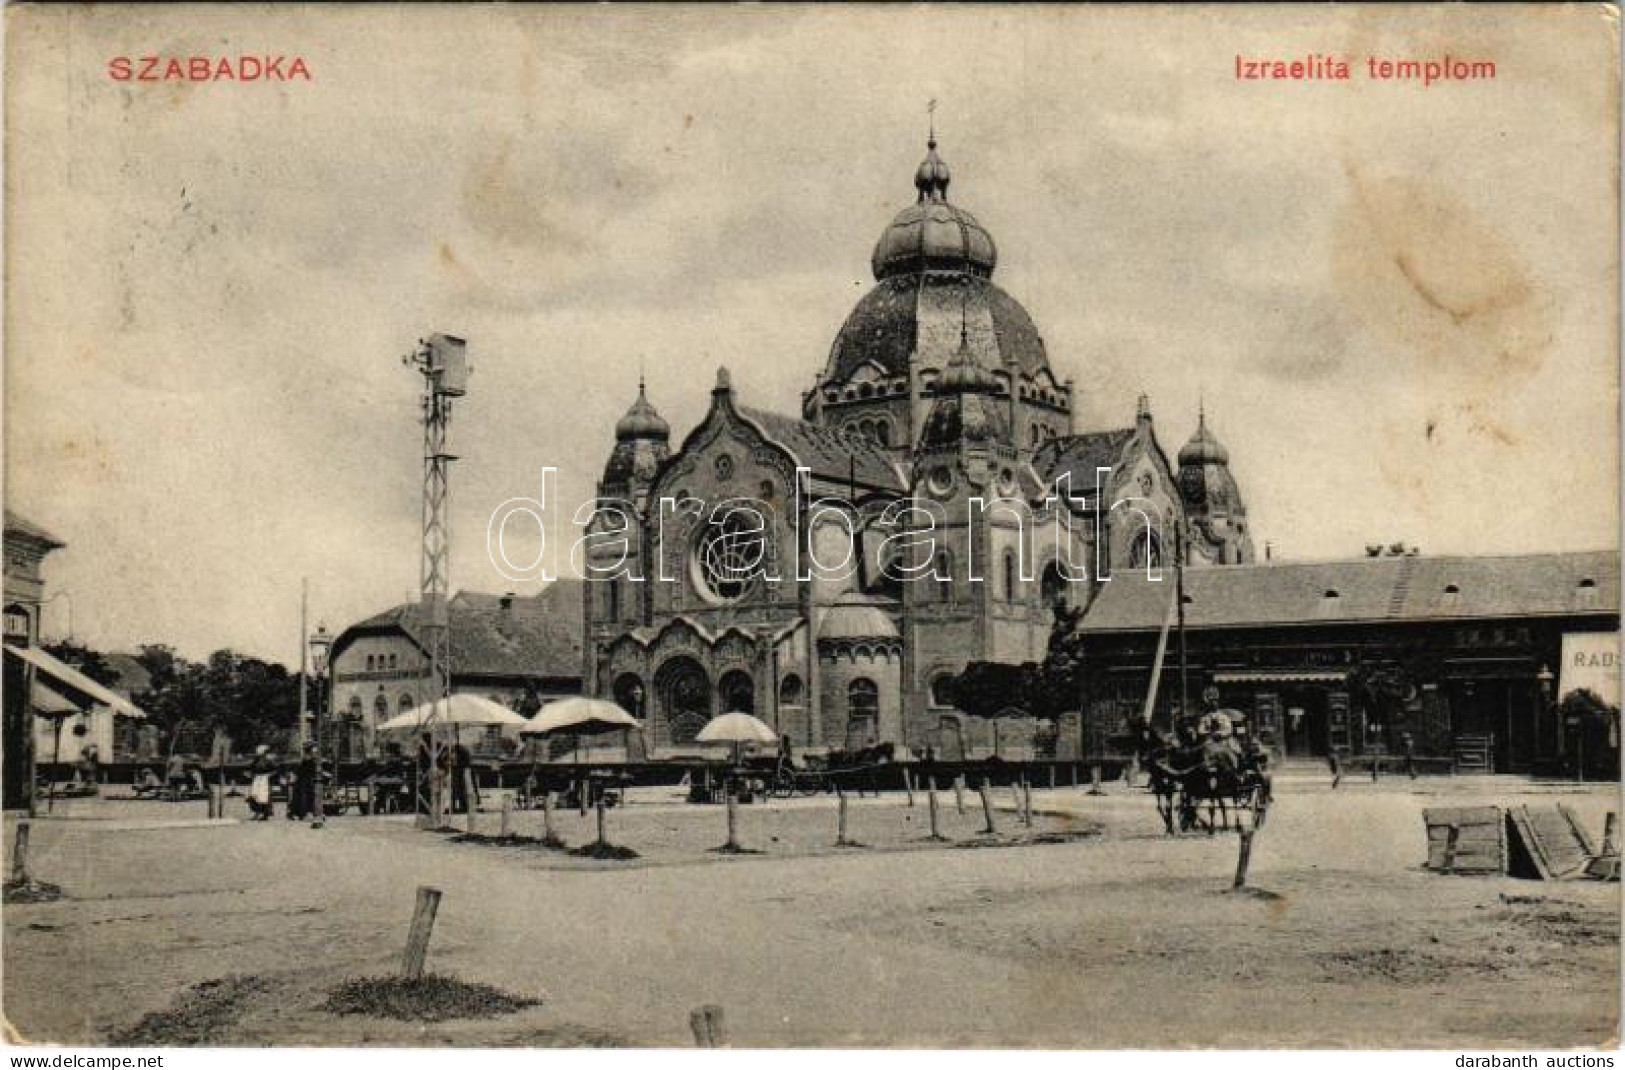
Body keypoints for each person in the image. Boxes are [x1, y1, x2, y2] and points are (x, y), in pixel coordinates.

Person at [248, 745, 276, 820]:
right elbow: (251, 768)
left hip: (265, 780)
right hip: (257, 779)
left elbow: (275, 770)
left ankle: (265, 814)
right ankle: (257, 813)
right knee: (255, 795)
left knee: (264, 796)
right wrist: (251, 774)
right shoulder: (256, 760)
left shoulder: (269, 761)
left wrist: (269, 775)